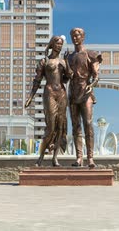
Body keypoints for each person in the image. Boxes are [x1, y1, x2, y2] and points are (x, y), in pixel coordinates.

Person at [25, 35, 71, 167]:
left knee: (60, 127)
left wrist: (67, 63)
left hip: (61, 93)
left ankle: (55, 158)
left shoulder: (63, 61)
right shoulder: (44, 61)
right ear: (52, 44)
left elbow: (68, 78)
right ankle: (40, 158)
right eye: (57, 43)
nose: (59, 46)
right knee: (50, 127)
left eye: (61, 44)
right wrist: (30, 97)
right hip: (49, 93)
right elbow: (37, 80)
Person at [65, 27, 102, 168]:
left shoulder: (90, 54)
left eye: (78, 35)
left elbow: (96, 76)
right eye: (73, 35)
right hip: (73, 93)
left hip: (86, 93)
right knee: (75, 126)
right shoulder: (68, 57)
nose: (75, 37)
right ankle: (79, 157)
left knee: (88, 123)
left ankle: (90, 158)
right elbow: (64, 77)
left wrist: (91, 85)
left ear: (83, 37)